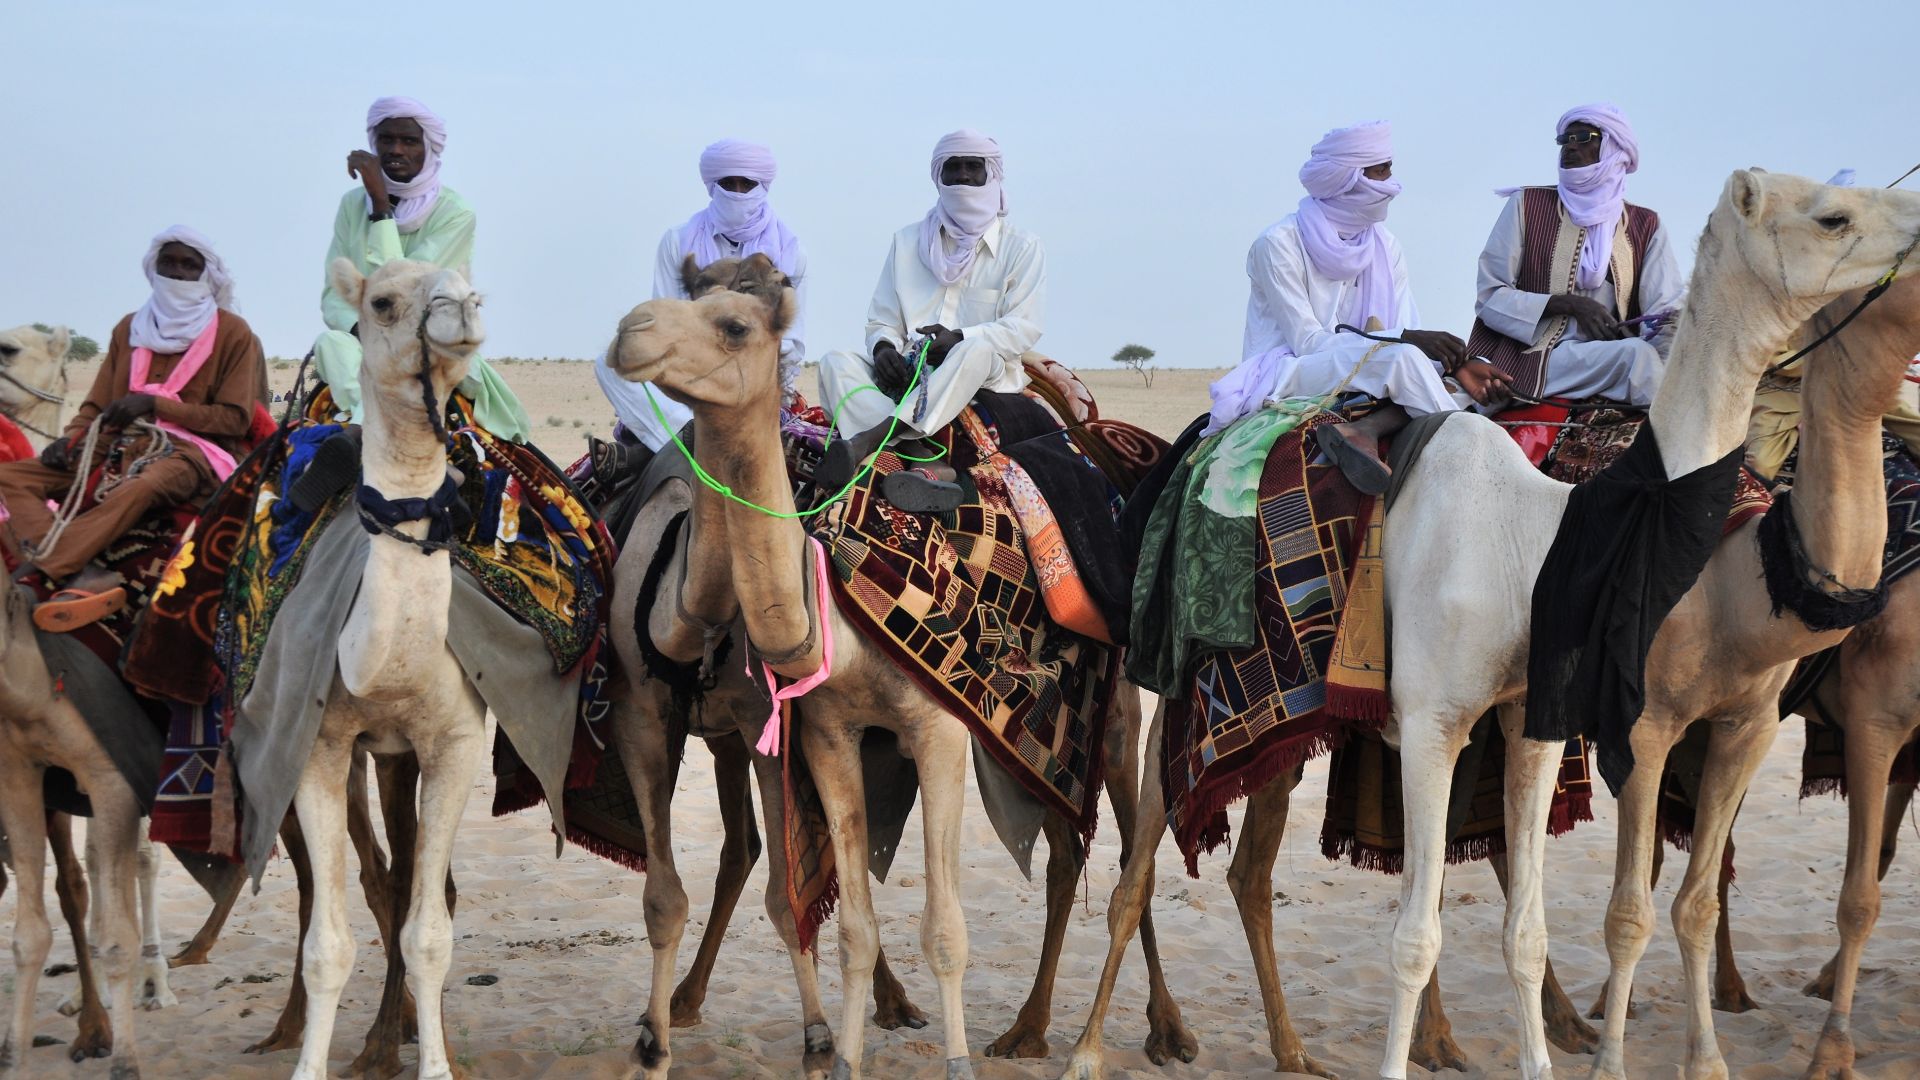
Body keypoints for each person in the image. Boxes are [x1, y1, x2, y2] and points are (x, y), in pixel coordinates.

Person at [1208, 121, 1507, 492]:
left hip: (1367, 359)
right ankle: (1479, 466)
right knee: (1403, 361)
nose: (1392, 185)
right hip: (1288, 368)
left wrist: (1457, 363)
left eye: (1390, 169)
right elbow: (1309, 342)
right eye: (1381, 172)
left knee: (1478, 372)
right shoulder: (1278, 244)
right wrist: (1406, 340)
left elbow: (1405, 327)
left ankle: (1365, 429)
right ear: (1347, 179)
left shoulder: (1385, 244)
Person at [0, 227, 261, 630]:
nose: (177, 272)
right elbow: (95, 406)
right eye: (168, 263)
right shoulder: (129, 328)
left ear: (206, 274)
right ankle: (76, 566)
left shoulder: (233, 333)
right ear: (153, 268)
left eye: (188, 265)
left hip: (193, 452)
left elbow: (233, 419)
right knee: (10, 477)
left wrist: (155, 405)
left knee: (141, 486)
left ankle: (46, 570)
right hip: (113, 440)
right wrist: (71, 440)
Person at [815, 129, 1045, 510]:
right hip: (910, 369)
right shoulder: (906, 243)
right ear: (939, 176)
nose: (963, 176)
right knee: (833, 362)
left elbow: (1024, 326)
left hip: (980, 370)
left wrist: (957, 339)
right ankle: (922, 455)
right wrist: (884, 349)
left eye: (973, 167)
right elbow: (882, 320)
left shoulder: (1022, 247)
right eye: (953, 167)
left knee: (975, 349)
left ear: (992, 174)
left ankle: (869, 439)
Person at [309, 96, 528, 442]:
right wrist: (366, 332)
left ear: (428, 147)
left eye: (409, 141)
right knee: (330, 343)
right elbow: (334, 294)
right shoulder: (352, 205)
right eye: (387, 139)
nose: (396, 150)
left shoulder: (455, 213)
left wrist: (381, 207)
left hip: (428, 342)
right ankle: (372, 422)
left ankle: (367, 431)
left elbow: (404, 286)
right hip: (365, 342)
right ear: (374, 144)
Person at [594, 139, 808, 469]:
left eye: (747, 184)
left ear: (763, 186)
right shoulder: (678, 241)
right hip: (692, 373)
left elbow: (792, 342)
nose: (738, 193)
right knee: (609, 364)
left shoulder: (791, 253)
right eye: (728, 184)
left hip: (753, 381)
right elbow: (665, 322)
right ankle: (690, 438)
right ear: (712, 185)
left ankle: (664, 446)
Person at [1466, 103, 1685, 408]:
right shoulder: (1526, 205)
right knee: (1637, 357)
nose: (1569, 147)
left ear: (1613, 147)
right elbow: (1490, 297)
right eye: (1564, 140)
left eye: (1583, 138)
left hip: (1606, 359)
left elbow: (1664, 315)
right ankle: (1673, 434)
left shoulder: (1645, 225)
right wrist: (1567, 304)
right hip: (1533, 358)